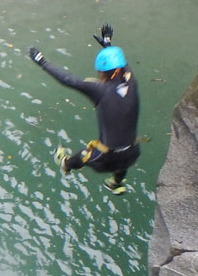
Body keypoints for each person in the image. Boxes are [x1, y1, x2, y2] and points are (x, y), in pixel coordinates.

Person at [28, 24, 140, 195]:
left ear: (103, 73)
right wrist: (107, 44)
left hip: (106, 158)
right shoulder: (130, 80)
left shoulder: (99, 91)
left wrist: (42, 62)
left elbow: (69, 80)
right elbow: (122, 64)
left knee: (85, 155)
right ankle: (116, 183)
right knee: (122, 157)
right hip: (131, 153)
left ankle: (65, 164)